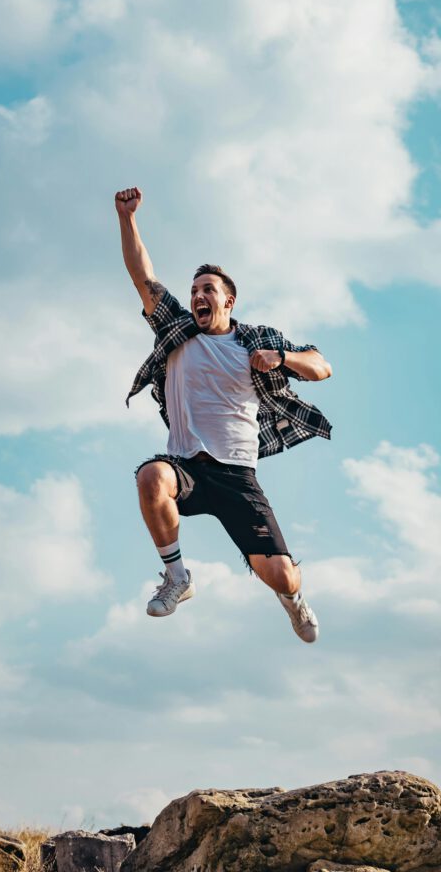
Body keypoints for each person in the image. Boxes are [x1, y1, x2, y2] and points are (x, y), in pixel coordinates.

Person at [117, 186, 332, 643]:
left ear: (228, 301)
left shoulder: (255, 340)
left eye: (207, 290)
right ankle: (177, 577)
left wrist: (281, 358)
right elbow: (143, 277)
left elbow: (321, 366)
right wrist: (127, 218)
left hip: (237, 476)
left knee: (282, 575)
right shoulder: (177, 328)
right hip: (186, 467)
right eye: (194, 290)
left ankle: (293, 599)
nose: (198, 296)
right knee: (151, 476)